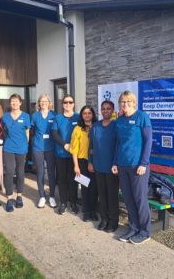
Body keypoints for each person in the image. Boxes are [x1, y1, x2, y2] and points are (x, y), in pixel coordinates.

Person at [112, 91, 153, 244]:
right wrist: (115, 162)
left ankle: (145, 231)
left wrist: (143, 163)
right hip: (123, 166)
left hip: (138, 166)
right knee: (128, 199)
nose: (125, 104)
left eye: (128, 101)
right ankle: (134, 227)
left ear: (134, 102)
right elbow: (118, 143)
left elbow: (148, 141)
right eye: (123, 101)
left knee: (139, 199)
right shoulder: (119, 120)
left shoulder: (142, 117)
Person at [88, 100, 119, 232]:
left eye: (108, 108)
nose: (105, 111)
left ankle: (113, 221)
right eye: (103, 108)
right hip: (98, 166)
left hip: (112, 168)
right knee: (102, 194)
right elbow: (91, 147)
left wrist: (116, 163)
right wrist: (90, 161)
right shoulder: (95, 126)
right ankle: (104, 219)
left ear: (112, 110)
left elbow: (119, 147)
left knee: (112, 195)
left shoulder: (116, 125)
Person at [2, 94, 31, 212]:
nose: (14, 103)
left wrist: (26, 144)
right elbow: (2, 131)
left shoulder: (26, 116)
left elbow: (27, 131)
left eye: (16, 101)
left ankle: (19, 196)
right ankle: (9, 198)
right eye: (12, 101)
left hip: (21, 149)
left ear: (20, 103)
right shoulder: (5, 117)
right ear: (10, 103)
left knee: (20, 172)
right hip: (8, 148)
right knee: (9, 172)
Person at [52, 94, 79, 215]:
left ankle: (73, 202)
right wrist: (65, 145)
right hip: (61, 154)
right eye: (65, 102)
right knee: (62, 179)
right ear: (62, 104)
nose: (68, 104)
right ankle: (63, 202)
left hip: (75, 155)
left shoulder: (79, 117)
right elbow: (55, 134)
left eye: (70, 102)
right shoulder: (58, 118)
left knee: (73, 179)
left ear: (73, 104)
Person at [70, 105, 98, 222]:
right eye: (84, 113)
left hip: (96, 162)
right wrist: (76, 166)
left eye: (89, 113)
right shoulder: (77, 129)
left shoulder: (97, 127)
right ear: (82, 115)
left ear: (93, 114)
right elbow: (74, 150)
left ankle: (93, 211)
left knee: (94, 188)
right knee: (85, 188)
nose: (87, 115)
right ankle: (86, 212)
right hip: (82, 162)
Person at [31, 94, 57, 208]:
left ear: (49, 102)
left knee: (51, 172)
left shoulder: (54, 115)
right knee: (40, 172)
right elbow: (31, 131)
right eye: (41, 101)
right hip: (38, 147)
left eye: (45, 101)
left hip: (51, 148)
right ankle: (42, 196)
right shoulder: (35, 116)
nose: (43, 103)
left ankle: (52, 196)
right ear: (38, 103)